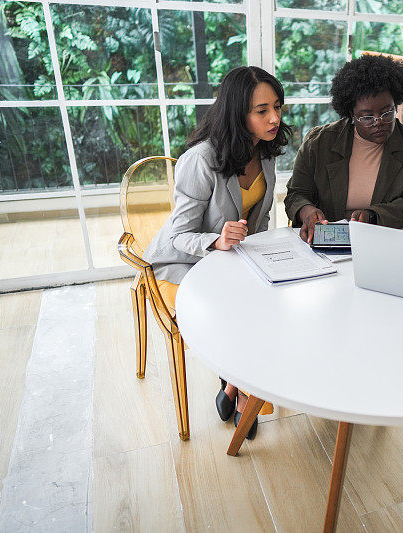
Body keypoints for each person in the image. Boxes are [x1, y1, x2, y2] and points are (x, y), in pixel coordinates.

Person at [143, 66, 292, 439]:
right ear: (238, 114)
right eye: (262, 111)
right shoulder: (201, 159)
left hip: (234, 259)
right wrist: (216, 240)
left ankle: (234, 386)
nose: (274, 118)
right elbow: (179, 235)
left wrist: (257, 255)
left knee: (277, 302)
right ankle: (243, 392)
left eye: (277, 107)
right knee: (237, 314)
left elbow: (261, 214)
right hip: (181, 264)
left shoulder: (266, 154)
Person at [284, 54, 403, 241]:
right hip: (325, 238)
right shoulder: (319, 143)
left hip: (382, 238)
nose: (379, 122)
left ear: (396, 105)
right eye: (367, 117)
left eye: (387, 113)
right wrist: (307, 212)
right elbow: (296, 194)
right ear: (351, 114)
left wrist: (373, 215)